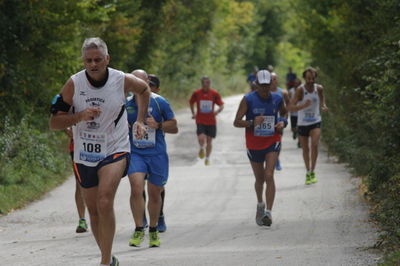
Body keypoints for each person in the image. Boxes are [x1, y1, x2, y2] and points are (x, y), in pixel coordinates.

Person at [49, 37, 150, 266]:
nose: (93, 65)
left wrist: (141, 121)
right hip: (85, 152)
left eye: (97, 60)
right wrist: (78, 117)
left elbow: (144, 90)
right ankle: (108, 256)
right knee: (94, 210)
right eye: (88, 61)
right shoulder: (74, 84)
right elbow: (53, 123)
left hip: (115, 147)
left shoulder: (121, 79)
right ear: (83, 61)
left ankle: (104, 262)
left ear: (107, 59)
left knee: (105, 201)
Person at [127, 70, 177, 248]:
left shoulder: (159, 102)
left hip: (156, 153)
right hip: (136, 153)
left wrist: (159, 125)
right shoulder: (125, 104)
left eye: (140, 81)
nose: (137, 85)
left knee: (155, 193)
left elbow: (174, 126)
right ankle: (139, 228)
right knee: (136, 187)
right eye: (133, 81)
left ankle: (154, 229)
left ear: (147, 82)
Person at [233, 70, 288, 227]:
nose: (264, 89)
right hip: (254, 143)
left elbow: (284, 114)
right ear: (256, 84)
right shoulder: (248, 99)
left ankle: (268, 213)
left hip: (272, 140)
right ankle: (260, 204)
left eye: (267, 85)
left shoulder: (277, 98)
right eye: (261, 85)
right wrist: (251, 122)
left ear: (271, 84)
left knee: (269, 174)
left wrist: (283, 123)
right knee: (260, 179)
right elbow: (236, 122)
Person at [288, 67, 328, 185]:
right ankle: (307, 171)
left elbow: (322, 101)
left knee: (315, 145)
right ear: (304, 78)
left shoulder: (319, 89)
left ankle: (313, 171)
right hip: (303, 123)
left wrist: (323, 106)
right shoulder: (300, 90)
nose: (311, 80)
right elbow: (290, 107)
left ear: (315, 77)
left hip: (315, 121)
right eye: (308, 78)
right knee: (305, 149)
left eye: (313, 78)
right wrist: (303, 106)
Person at [189, 76, 224, 165]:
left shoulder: (214, 93)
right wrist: (193, 113)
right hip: (200, 119)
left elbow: (221, 105)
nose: (205, 84)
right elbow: (191, 102)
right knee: (201, 138)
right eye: (204, 83)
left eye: (207, 83)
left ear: (209, 83)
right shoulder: (196, 93)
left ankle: (207, 158)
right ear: (201, 84)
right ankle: (201, 148)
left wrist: (217, 111)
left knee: (209, 140)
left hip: (211, 121)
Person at [65, 128, 88, 233]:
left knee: (101, 182)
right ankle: (82, 220)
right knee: (80, 183)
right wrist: (67, 129)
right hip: (77, 147)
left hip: (101, 145)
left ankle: (101, 218)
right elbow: (62, 116)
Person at [270, 72, 290, 171]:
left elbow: (287, 107)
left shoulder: (283, 93)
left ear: (277, 80)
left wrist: (284, 120)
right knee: (268, 140)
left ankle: (276, 159)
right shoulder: (264, 92)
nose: (273, 81)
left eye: (274, 79)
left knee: (278, 140)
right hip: (268, 120)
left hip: (278, 120)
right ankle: (270, 159)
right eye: (271, 79)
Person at [288, 78, 302, 147]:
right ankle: (294, 132)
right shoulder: (291, 91)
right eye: (295, 83)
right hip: (293, 113)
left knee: (300, 128)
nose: (296, 84)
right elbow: (288, 100)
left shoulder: (302, 90)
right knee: (294, 127)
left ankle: (299, 142)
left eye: (298, 83)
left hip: (300, 112)